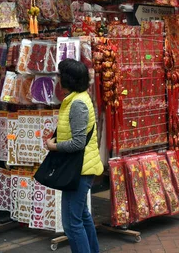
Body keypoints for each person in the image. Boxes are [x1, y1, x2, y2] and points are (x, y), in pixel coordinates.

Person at [45, 59, 103, 253]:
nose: (58, 79)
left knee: (71, 223)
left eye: (60, 75)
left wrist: (54, 147)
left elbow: (78, 143)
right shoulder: (78, 99)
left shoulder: (77, 103)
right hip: (82, 166)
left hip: (79, 168)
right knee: (82, 216)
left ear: (67, 79)